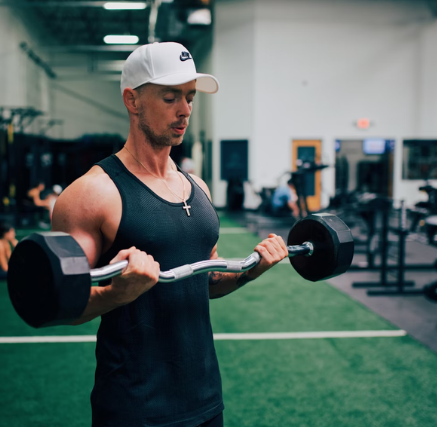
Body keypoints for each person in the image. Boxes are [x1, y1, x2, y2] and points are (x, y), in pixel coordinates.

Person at [51, 42, 289, 427]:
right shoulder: (92, 193)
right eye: (170, 97)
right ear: (132, 100)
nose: (185, 111)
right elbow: (61, 304)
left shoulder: (198, 187)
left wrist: (251, 270)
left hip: (206, 399)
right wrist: (119, 293)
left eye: (190, 98)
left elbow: (205, 281)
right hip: (134, 407)